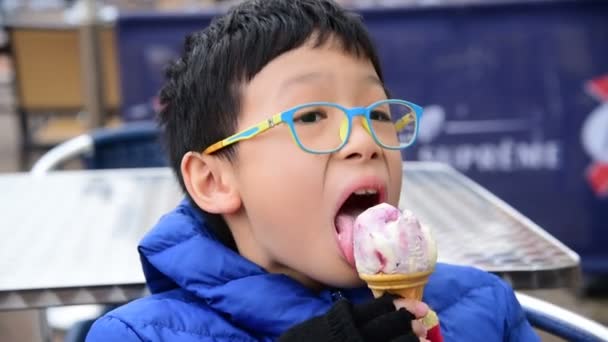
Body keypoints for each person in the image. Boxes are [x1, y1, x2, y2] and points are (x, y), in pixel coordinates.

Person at [86, 0, 539, 340]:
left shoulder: (483, 305)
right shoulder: (137, 336)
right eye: (311, 117)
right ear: (214, 180)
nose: (364, 142)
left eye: (378, 114)